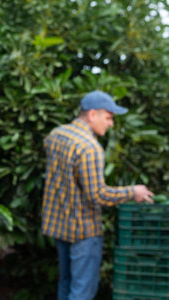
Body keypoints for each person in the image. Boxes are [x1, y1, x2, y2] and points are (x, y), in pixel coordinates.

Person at [41, 90, 154, 300]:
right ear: (92, 114)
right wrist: (132, 192)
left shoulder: (56, 135)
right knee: (82, 291)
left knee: (65, 283)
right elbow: (97, 195)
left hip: (59, 226)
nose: (111, 124)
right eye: (109, 117)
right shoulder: (89, 147)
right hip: (83, 231)